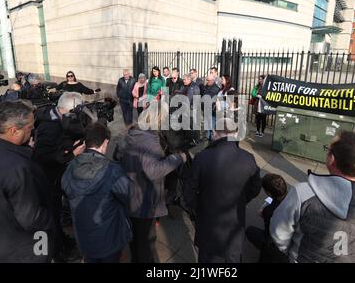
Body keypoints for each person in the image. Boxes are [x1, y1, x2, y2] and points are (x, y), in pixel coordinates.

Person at [270, 131, 355, 263]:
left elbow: (279, 234)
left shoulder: (303, 194)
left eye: (328, 149)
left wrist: (293, 255)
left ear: (331, 159)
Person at [0, 100, 54, 262]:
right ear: (14, 130)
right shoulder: (18, 167)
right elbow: (32, 219)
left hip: (1, 239)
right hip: (31, 246)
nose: (32, 131)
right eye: (30, 127)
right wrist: (52, 217)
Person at [184, 118, 261, 263]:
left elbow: (189, 191)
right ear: (236, 133)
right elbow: (255, 188)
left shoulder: (202, 157)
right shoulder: (248, 159)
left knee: (207, 259)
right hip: (234, 224)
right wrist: (242, 201)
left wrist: (198, 209)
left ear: (214, 132)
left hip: (208, 223)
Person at [121, 102, 187, 262]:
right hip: (144, 199)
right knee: (146, 241)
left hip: (131, 193)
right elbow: (153, 170)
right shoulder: (150, 140)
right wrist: (178, 158)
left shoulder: (133, 133)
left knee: (135, 238)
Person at [61, 123, 132, 263]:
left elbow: (65, 189)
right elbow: (128, 194)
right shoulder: (112, 170)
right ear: (105, 142)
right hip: (109, 237)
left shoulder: (71, 166)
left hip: (84, 237)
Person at [33, 91, 86, 262]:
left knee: (56, 214)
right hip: (48, 180)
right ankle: (58, 252)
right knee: (52, 217)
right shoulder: (50, 126)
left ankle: (63, 241)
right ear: (70, 110)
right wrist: (72, 154)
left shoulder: (58, 118)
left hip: (55, 177)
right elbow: (43, 156)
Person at [246, 173, 288, 263]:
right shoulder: (292, 197)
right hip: (290, 242)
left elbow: (262, 213)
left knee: (250, 231)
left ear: (268, 193)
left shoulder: (268, 211)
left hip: (275, 245)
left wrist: (264, 212)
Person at [181, 73, 201, 146]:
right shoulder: (184, 86)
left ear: (189, 79)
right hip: (185, 108)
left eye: (184, 79)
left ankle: (196, 140)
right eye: (183, 79)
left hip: (193, 109)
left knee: (194, 125)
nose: (183, 81)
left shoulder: (195, 87)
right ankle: (189, 139)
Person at [203, 74, 220, 141]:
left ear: (213, 80)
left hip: (211, 110)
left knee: (211, 126)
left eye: (208, 80)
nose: (207, 81)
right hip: (206, 109)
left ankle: (211, 140)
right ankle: (208, 138)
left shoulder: (215, 88)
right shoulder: (207, 86)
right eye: (206, 80)